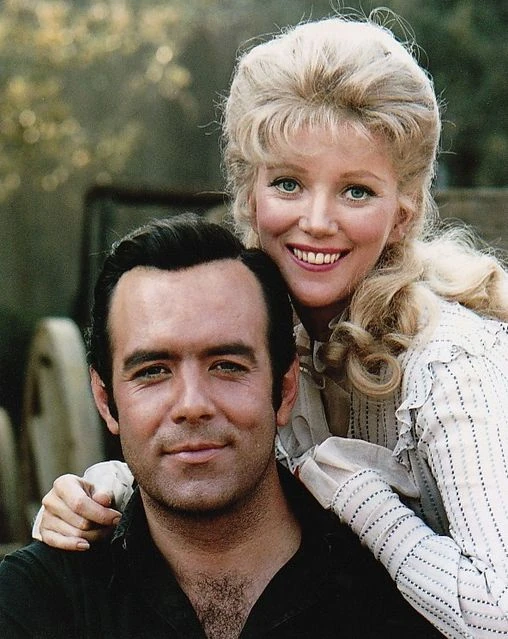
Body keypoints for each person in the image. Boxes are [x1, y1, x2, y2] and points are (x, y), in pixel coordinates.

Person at [34, 11, 508, 639]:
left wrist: (366, 503)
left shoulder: (452, 361)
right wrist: (103, 493)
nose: (317, 221)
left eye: (356, 191)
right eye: (288, 183)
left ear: (402, 212)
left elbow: (498, 612)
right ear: (248, 196)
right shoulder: (271, 339)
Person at [0, 215, 443, 638]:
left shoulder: (393, 602)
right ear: (105, 400)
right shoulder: (35, 604)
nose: (192, 405)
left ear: (285, 387)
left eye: (227, 365)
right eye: (153, 371)